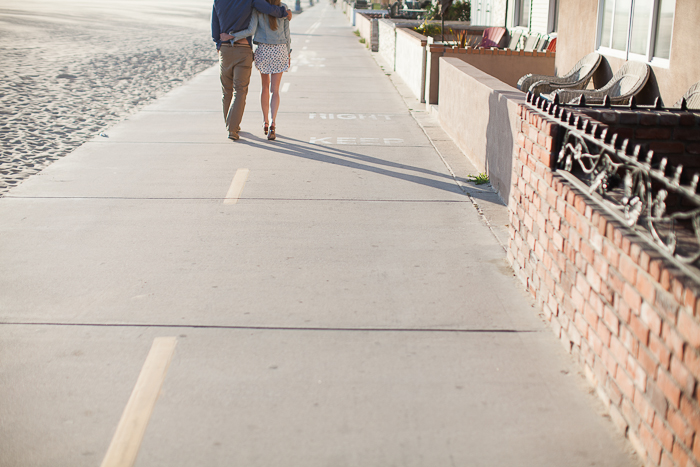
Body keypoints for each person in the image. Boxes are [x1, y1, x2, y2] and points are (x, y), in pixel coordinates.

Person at [212, 0, 292, 141]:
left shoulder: (218, 1)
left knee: (229, 90)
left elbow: (216, 26)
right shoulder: (256, 2)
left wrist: (220, 42)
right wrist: (284, 13)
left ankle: (235, 124)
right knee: (242, 90)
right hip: (255, 49)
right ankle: (238, 127)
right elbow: (270, 11)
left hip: (235, 49)